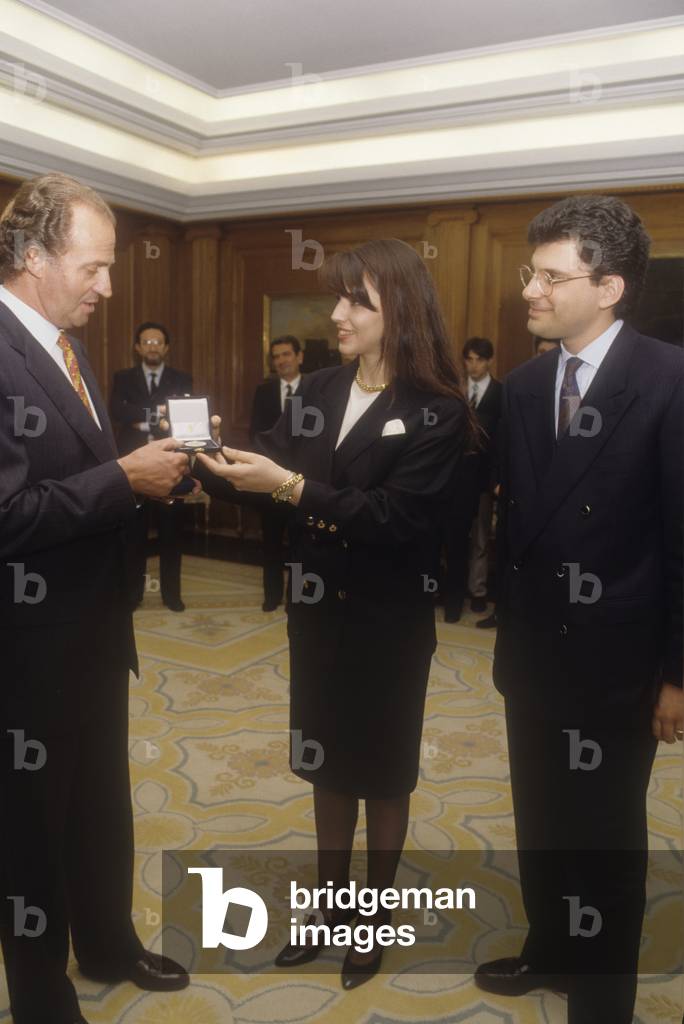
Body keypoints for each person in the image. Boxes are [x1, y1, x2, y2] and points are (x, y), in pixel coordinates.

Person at [195, 238, 476, 990]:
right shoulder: (317, 389)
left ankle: (373, 917)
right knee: (325, 764)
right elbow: (266, 476)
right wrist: (203, 460)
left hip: (388, 621)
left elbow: (396, 519)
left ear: (401, 312)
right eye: (338, 297)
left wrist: (287, 486)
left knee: (382, 772)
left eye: (357, 300)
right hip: (316, 615)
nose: (336, 313)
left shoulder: (439, 411)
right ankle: (326, 908)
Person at [475, 195, 683, 1024]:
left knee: (603, 838)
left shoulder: (670, 380)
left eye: (551, 276)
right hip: (532, 660)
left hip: (619, 666)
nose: (531, 290)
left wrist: (677, 672)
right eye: (531, 272)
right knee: (543, 820)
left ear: (611, 288)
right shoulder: (522, 389)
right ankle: (552, 949)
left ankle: (602, 1001)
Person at [0, 173, 191, 1024]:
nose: (108, 288)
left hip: (93, 629)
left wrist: (150, 484)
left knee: (100, 803)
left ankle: (108, 944)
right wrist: (124, 479)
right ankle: (42, 996)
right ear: (34, 257)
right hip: (26, 645)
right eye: (95, 267)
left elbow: (71, 477)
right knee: (31, 827)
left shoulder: (63, 343)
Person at [111, 321, 193, 612]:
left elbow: (181, 415)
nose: (152, 347)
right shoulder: (123, 377)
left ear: (166, 348)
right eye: (146, 342)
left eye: (158, 342)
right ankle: (134, 594)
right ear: (137, 348)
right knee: (134, 534)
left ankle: (172, 595)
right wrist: (157, 414)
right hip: (132, 469)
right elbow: (117, 411)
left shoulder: (182, 379)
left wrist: (140, 418)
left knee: (171, 534)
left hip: (171, 466)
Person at [249, 335, 304, 611]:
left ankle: (296, 597)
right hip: (270, 481)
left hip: (304, 483)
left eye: (286, 354)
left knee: (299, 543)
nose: (281, 360)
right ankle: (271, 596)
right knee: (270, 541)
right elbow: (255, 435)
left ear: (299, 357)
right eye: (276, 356)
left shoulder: (315, 389)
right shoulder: (264, 392)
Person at [462, 337, 502, 615]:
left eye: (479, 359)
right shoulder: (455, 389)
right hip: (453, 478)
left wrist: (497, 478)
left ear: (489, 361)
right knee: (451, 534)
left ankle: (477, 589)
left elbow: (503, 440)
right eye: (469, 359)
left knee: (480, 536)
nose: (473, 365)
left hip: (484, 478)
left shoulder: (501, 393)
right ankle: (447, 586)